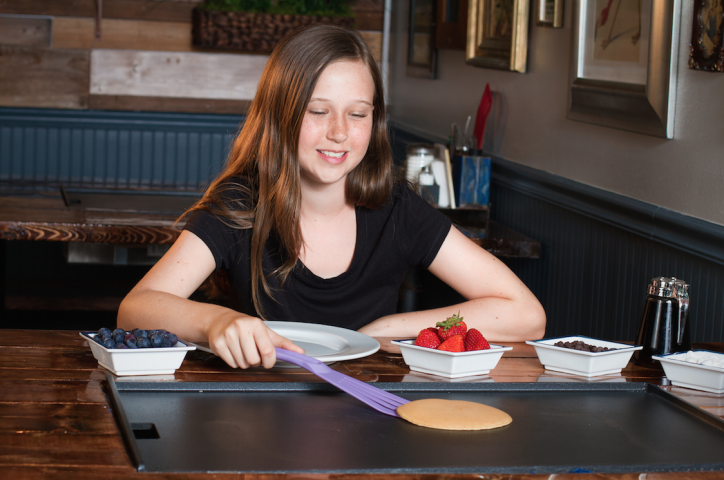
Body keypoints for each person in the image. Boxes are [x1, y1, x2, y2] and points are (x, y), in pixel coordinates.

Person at [117, 25, 546, 369]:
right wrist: (217, 321)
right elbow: (135, 308)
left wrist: (390, 327)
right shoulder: (242, 203)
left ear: (373, 120)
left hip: (372, 414)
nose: (339, 131)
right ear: (281, 114)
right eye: (318, 111)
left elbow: (527, 314)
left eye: (357, 114)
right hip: (260, 414)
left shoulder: (397, 208)